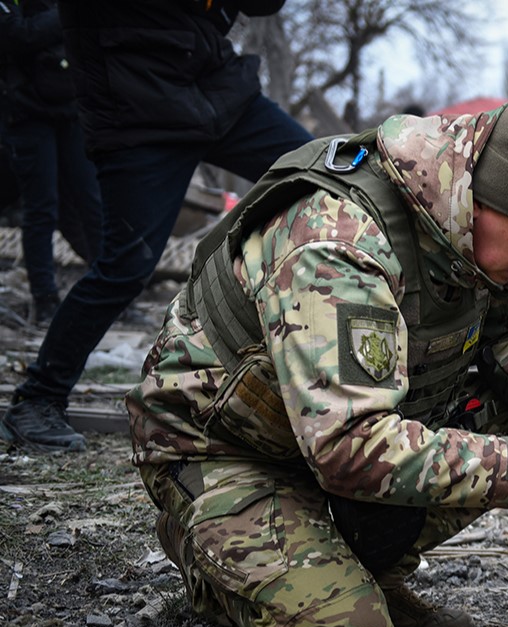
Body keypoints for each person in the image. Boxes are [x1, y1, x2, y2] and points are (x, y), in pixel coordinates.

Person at [126, 102, 508, 627]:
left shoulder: (466, 233)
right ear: (475, 202)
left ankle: (364, 568)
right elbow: (348, 449)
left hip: (323, 436)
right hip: (225, 448)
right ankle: (210, 553)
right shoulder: (337, 247)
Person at [0, 0, 313, 451]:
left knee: (325, 172)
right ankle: (36, 400)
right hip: (136, 104)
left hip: (215, 88)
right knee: (125, 267)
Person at [0, 0, 104, 326]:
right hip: (26, 111)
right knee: (41, 208)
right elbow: (17, 35)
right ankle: (45, 300)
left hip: (71, 107)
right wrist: (68, 15)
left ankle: (112, 294)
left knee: (92, 201)